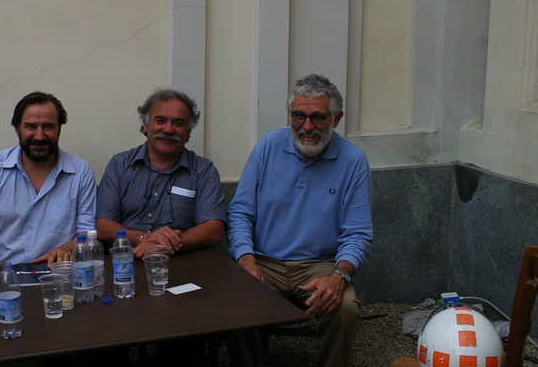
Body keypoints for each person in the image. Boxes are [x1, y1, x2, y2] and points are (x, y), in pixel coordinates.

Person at [227, 74, 374, 367]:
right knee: (233, 302)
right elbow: (240, 212)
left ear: (337, 117)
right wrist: (245, 259)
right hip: (263, 261)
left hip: (319, 265)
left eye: (318, 118)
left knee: (344, 307)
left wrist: (338, 276)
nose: (307, 127)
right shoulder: (269, 146)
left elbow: (358, 234)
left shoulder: (353, 161)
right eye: (299, 116)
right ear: (290, 115)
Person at [0, 91, 97, 367]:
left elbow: (86, 232)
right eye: (31, 126)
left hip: (55, 281)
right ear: (17, 128)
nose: (39, 135)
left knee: (80, 347)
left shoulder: (81, 171)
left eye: (48, 126)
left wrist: (66, 248)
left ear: (59, 129)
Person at [96, 88, 226, 257]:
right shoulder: (119, 165)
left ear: (188, 133)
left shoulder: (204, 172)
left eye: (178, 123)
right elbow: (103, 225)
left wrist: (164, 246)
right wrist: (145, 239)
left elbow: (213, 229)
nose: (168, 129)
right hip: (127, 261)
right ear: (145, 125)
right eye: (160, 120)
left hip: (185, 263)